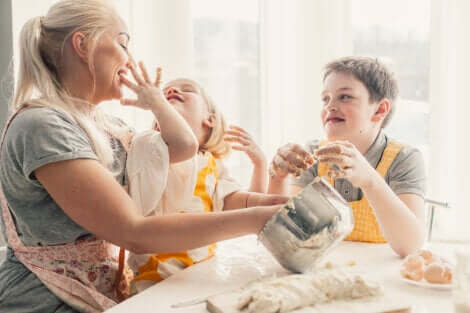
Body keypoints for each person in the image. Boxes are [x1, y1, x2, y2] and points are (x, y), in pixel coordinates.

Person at [0, 1, 284, 312]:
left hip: (106, 292)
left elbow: (181, 148)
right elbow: (133, 231)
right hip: (47, 300)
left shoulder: (110, 127)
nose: (130, 59)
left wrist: (266, 204)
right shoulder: (42, 126)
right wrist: (257, 219)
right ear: (82, 45)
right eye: (122, 44)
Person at [125, 78, 280, 292]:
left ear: (211, 120)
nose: (171, 90)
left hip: (202, 275)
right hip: (155, 280)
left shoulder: (212, 165)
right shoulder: (153, 151)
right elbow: (181, 142)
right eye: (165, 93)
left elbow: (244, 209)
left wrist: (260, 164)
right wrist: (158, 104)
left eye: (186, 90)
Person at [268, 56, 427, 257]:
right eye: (325, 98)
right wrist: (278, 178)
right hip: (326, 272)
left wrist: (370, 180)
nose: (330, 106)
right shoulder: (312, 155)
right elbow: (284, 235)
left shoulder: (404, 158)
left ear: (379, 110)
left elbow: (410, 246)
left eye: (345, 97)